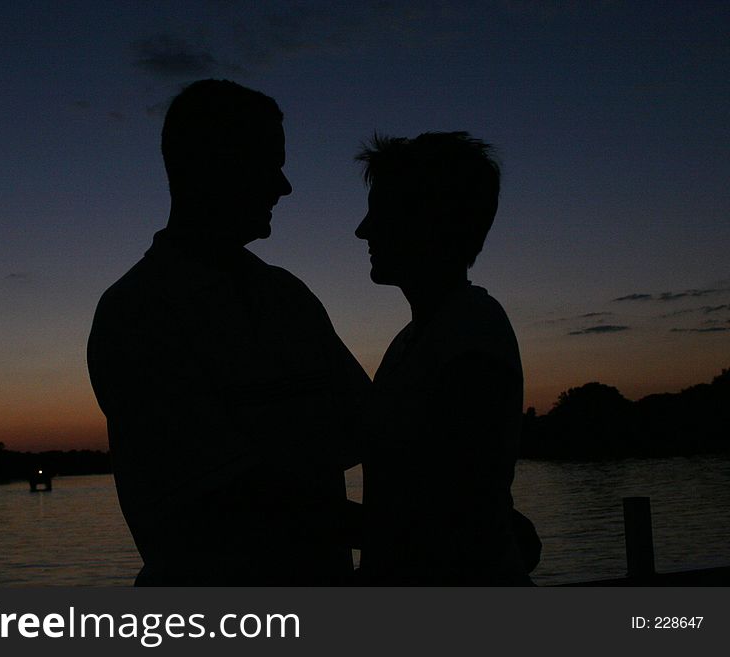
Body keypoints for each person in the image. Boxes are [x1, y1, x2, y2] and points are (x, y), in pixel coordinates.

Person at [87, 79, 369, 585]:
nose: (284, 186)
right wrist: (432, 533)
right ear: (212, 166)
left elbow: (369, 428)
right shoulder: (137, 313)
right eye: (269, 163)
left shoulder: (288, 296)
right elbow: (229, 501)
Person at [354, 132, 537, 584]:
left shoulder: (469, 336)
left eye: (380, 214)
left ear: (426, 222)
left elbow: (454, 516)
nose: (363, 229)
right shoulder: (417, 339)